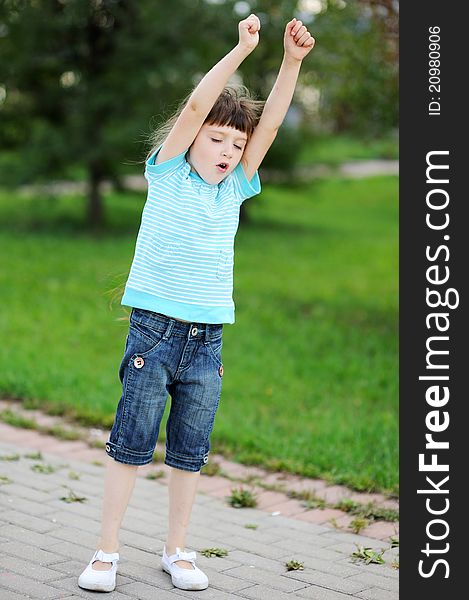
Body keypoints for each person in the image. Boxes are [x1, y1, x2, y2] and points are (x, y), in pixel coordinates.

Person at [78, 13, 315, 593]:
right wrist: (240, 52)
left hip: (208, 339)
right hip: (154, 333)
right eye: (217, 139)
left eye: (236, 144)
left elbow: (270, 128)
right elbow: (192, 109)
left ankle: (176, 550)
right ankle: (106, 551)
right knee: (130, 443)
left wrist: (290, 64)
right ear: (190, 141)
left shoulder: (235, 188)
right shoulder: (167, 175)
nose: (229, 151)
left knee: (189, 451)